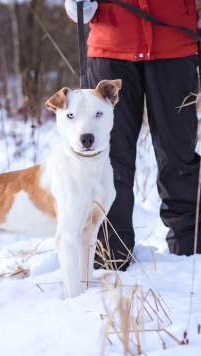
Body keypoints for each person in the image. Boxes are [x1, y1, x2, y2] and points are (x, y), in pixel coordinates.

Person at [65, 0, 200, 270]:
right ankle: (111, 259)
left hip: (175, 44)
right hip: (111, 49)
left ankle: (192, 254)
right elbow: (75, 9)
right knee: (110, 159)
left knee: (179, 156)